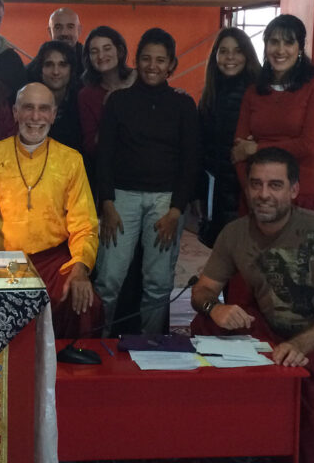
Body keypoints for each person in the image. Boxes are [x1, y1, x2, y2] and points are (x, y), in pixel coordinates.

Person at [190, 147, 314, 463]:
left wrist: (301, 345)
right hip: (270, 334)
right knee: (206, 325)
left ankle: (283, 414)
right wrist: (215, 308)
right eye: (256, 184)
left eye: (275, 185)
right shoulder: (234, 233)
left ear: (294, 190)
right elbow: (203, 290)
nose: (264, 195)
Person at [95, 28, 200, 335]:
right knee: (108, 280)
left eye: (160, 60)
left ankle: (152, 346)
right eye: (146, 58)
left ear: (171, 65)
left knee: (158, 283)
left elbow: (190, 160)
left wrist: (176, 211)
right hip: (121, 199)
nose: (152, 66)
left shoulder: (183, 105)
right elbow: (104, 156)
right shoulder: (118, 101)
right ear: (136, 61)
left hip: (166, 202)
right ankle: (98, 343)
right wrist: (107, 203)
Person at [0, 83, 100, 338]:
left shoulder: (70, 160)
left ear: (53, 115)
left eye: (43, 109)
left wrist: (80, 269)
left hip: (53, 261)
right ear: (15, 112)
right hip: (3, 261)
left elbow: (84, 224)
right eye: (28, 108)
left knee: (85, 302)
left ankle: (67, 365)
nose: (35, 117)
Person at [233, 14, 314, 212]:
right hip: (257, 193)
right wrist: (250, 190)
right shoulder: (254, 90)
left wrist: (256, 148)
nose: (280, 50)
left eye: (288, 43)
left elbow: (310, 144)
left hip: (300, 190)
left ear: (300, 48)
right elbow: (239, 151)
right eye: (274, 42)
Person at [197, 28, 261, 247]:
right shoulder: (210, 93)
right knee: (222, 249)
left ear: (248, 55)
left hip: (244, 184)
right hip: (215, 184)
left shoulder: (259, 91)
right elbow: (201, 143)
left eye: (238, 51)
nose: (230, 57)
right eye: (223, 51)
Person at [77, 25, 136, 161]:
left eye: (107, 48)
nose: (101, 56)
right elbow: (91, 147)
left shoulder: (138, 80)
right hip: (110, 164)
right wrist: (109, 109)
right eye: (94, 51)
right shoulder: (86, 95)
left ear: (120, 51)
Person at [25, 40, 83, 153]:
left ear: (71, 70)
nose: (56, 72)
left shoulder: (81, 101)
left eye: (62, 65)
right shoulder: (26, 99)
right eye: (49, 64)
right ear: (40, 69)